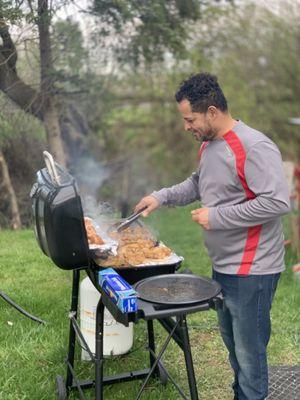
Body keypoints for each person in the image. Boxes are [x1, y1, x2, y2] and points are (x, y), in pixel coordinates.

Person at [134, 72, 290, 400]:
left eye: (190, 119)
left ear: (212, 112)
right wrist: (160, 196)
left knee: (250, 354)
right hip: (224, 266)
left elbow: (276, 202)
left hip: (254, 269)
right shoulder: (209, 145)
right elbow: (197, 183)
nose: (186, 126)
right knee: (234, 347)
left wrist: (216, 216)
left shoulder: (254, 146)